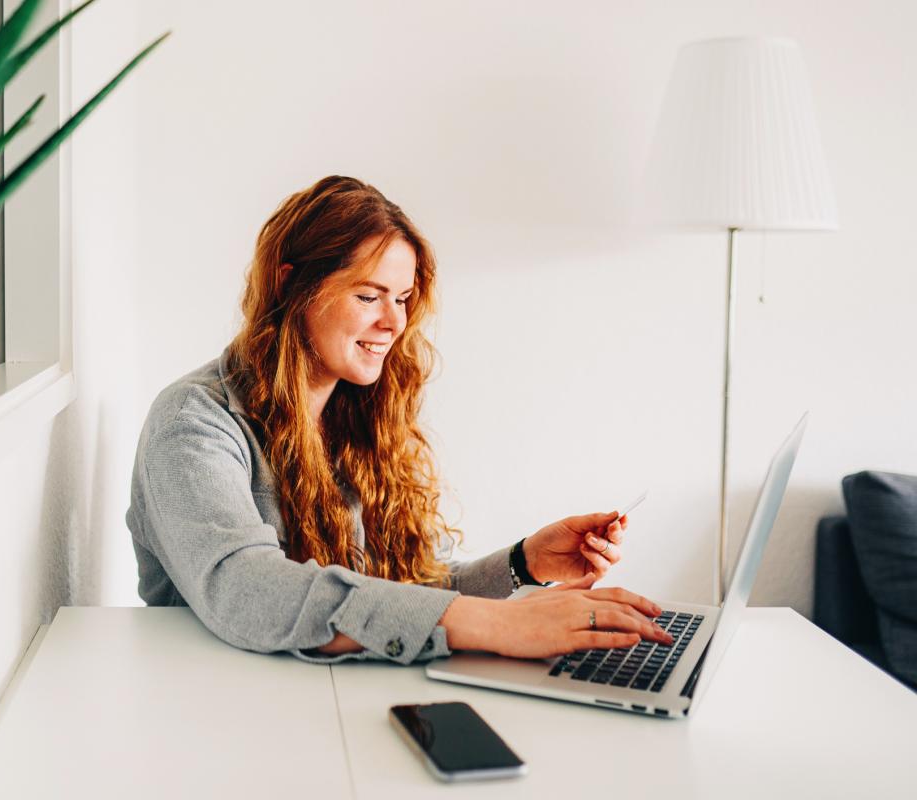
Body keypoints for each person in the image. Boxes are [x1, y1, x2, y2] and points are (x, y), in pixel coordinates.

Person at [126, 175, 672, 665]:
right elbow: (245, 590)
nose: (394, 322)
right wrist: (499, 623)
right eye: (369, 296)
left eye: (404, 299)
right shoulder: (194, 422)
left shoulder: (357, 416)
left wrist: (521, 565)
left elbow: (409, 593)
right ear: (292, 287)